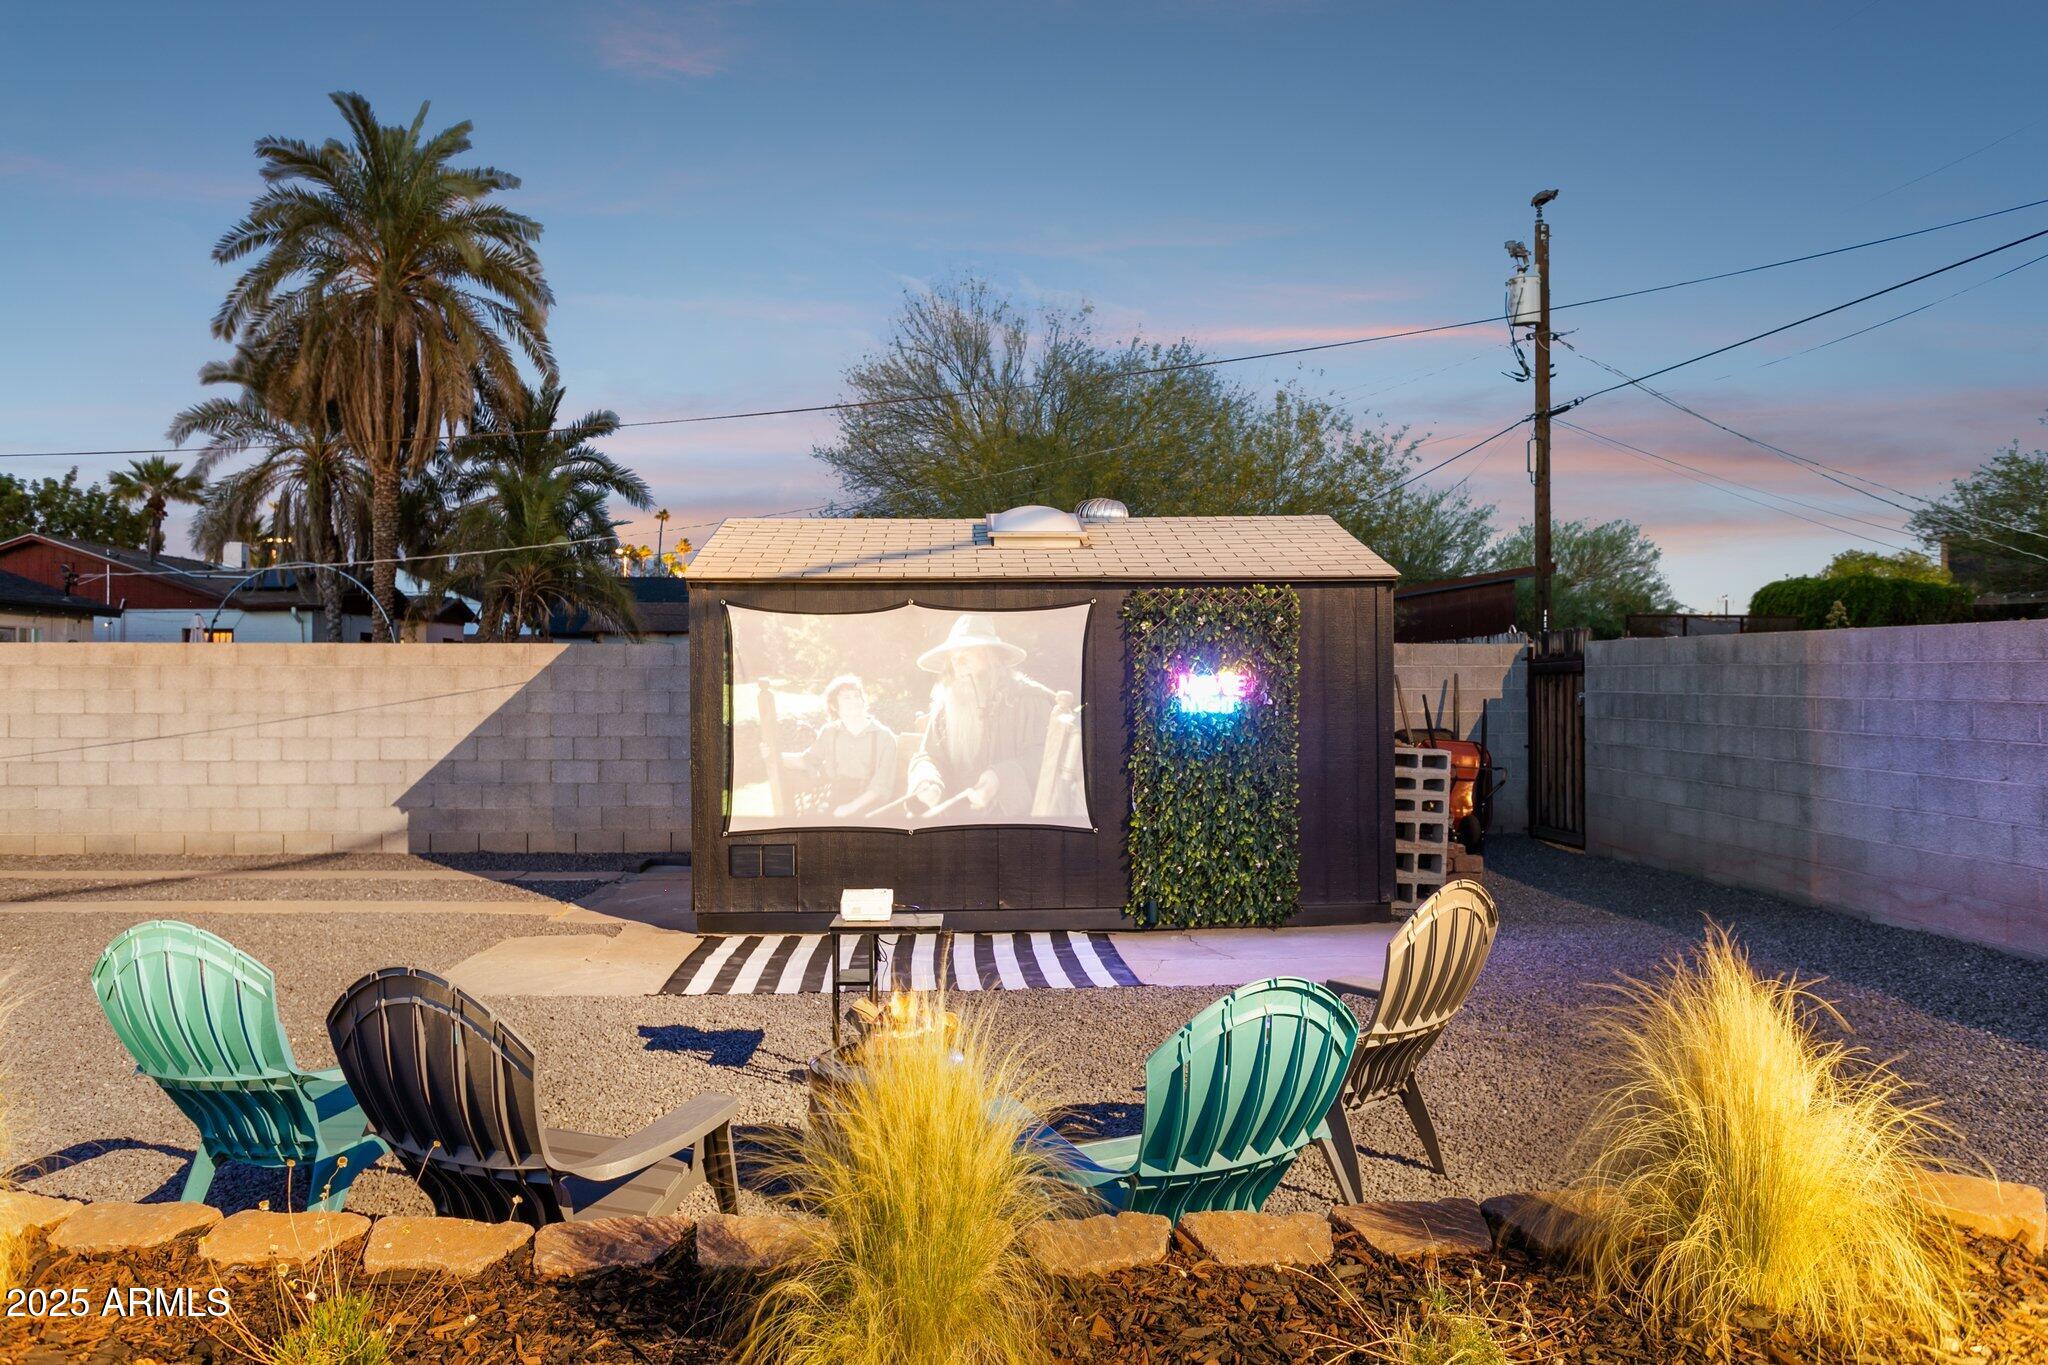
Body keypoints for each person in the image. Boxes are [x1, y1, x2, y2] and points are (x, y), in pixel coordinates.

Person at [906, 614, 1057, 821]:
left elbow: (1046, 758)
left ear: (992, 657)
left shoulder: (1027, 700)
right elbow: (929, 756)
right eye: (954, 655)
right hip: (953, 820)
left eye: (968, 652)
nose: (958, 662)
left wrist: (999, 778)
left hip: (1011, 821)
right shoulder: (945, 707)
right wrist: (927, 780)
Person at [797, 675, 898, 820]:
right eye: (846, 698)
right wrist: (772, 756)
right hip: (836, 797)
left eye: (857, 696)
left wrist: (850, 808)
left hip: (870, 804)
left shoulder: (884, 737)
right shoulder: (830, 732)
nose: (854, 701)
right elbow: (808, 759)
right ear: (833, 705)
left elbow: (881, 786)